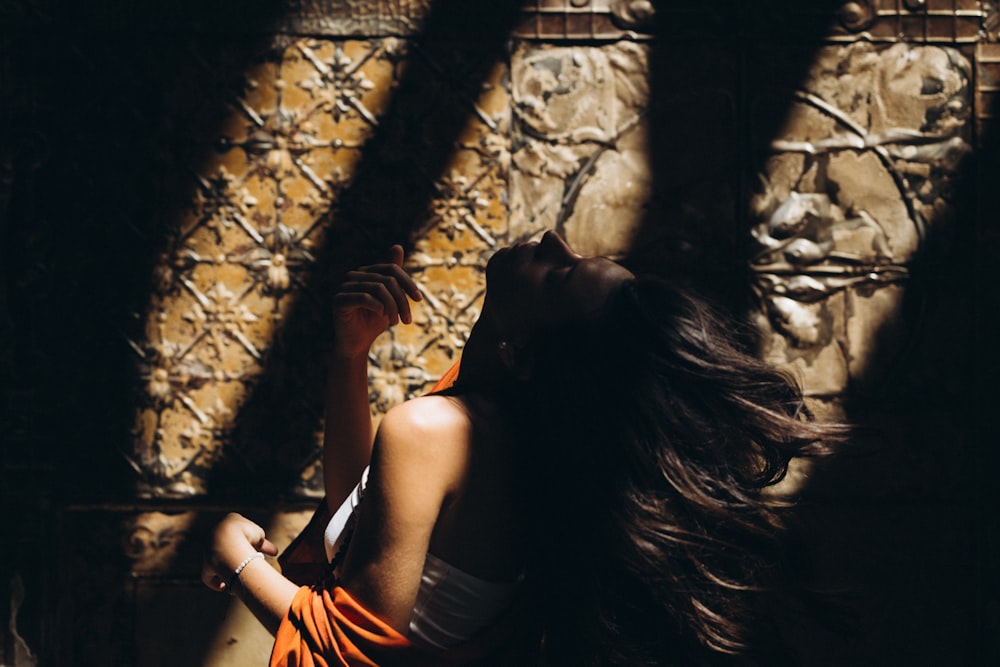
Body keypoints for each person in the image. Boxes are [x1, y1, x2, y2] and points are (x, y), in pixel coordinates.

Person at [202, 231, 836, 666]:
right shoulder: (499, 436)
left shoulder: (434, 431)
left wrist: (235, 554)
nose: (555, 242)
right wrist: (350, 358)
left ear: (523, 351)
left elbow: (355, 649)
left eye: (560, 276)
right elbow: (366, 526)